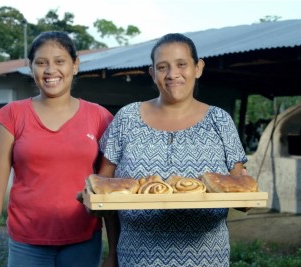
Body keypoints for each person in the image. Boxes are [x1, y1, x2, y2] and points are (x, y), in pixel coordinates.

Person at [97, 33, 247, 267]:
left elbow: (241, 194)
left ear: (198, 68)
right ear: (152, 73)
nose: (172, 75)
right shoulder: (127, 118)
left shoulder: (220, 121)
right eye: (162, 67)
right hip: (136, 258)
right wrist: (113, 253)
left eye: (181, 64)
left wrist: (245, 192)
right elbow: (104, 188)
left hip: (206, 259)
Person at [0, 31, 113, 267]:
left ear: (75, 65)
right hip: (26, 245)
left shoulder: (100, 117)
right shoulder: (11, 116)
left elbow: (109, 189)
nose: (50, 70)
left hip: (83, 241)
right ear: (31, 68)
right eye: (41, 63)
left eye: (60, 61)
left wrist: (113, 252)